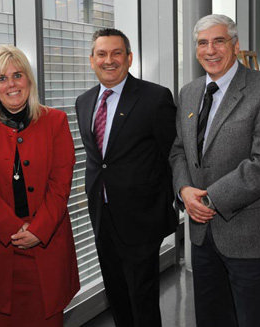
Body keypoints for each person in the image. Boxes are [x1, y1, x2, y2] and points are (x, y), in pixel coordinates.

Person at [169, 14, 260, 327]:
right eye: (202, 43)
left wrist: (208, 200)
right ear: (196, 50)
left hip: (252, 237)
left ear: (235, 46)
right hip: (202, 239)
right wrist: (184, 191)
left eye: (219, 41)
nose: (210, 50)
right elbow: (180, 150)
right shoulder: (188, 92)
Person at [0, 44, 79, 327]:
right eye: (2, 78)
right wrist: (13, 228)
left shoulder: (56, 121)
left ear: (29, 80)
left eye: (18, 75)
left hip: (45, 248)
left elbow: (61, 185)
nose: (11, 84)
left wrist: (38, 230)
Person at [75, 28, 177, 327]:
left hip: (142, 219)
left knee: (142, 299)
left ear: (129, 58)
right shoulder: (83, 102)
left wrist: (163, 205)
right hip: (102, 215)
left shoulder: (155, 97)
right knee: (116, 294)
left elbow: (174, 155)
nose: (110, 60)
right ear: (91, 60)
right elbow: (99, 161)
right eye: (102, 54)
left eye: (116, 53)